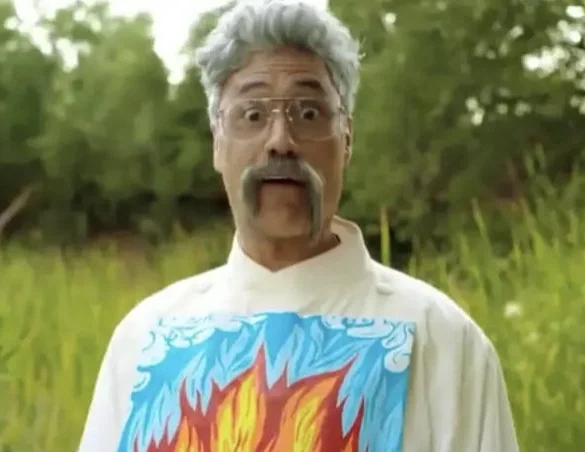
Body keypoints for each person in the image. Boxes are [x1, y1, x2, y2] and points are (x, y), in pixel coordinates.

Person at [76, 1, 519, 450]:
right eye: (252, 115)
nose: (280, 141)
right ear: (217, 143)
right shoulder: (146, 340)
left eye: (308, 113)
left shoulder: (443, 341)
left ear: (346, 139)